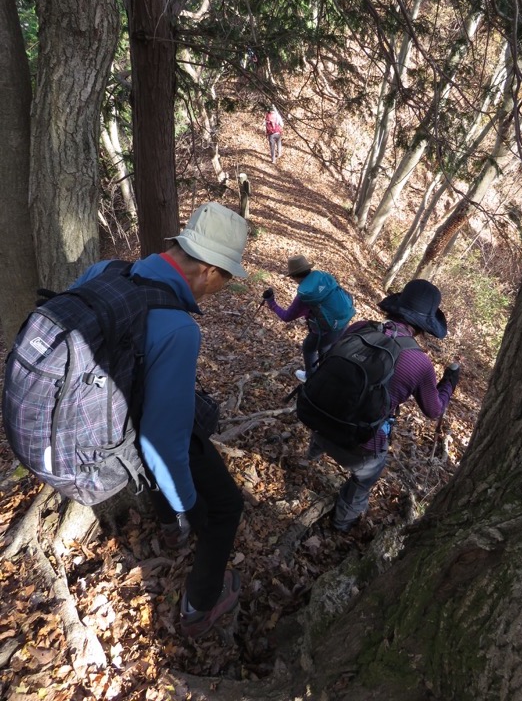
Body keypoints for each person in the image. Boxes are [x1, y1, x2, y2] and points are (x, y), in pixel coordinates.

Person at [73, 202, 248, 638]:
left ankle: (169, 532)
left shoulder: (106, 271)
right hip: (135, 430)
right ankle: (199, 607)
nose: (222, 288)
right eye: (226, 277)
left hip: (100, 422)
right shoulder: (178, 328)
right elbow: (161, 443)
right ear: (208, 271)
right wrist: (188, 505)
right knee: (225, 506)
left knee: (158, 460)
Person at [306, 279, 460, 533]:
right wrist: (450, 381)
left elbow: (330, 360)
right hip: (359, 444)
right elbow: (434, 410)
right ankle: (342, 522)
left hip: (318, 418)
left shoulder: (360, 327)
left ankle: (309, 459)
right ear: (423, 327)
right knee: (368, 475)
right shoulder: (419, 363)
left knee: (336, 408)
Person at [263, 255, 352, 383]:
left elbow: (287, 317)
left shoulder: (305, 295)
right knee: (324, 348)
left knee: (308, 348)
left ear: (294, 277)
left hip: (325, 331)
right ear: (308, 269)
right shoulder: (323, 277)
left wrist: (271, 303)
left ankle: (311, 378)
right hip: (343, 323)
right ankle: (324, 376)